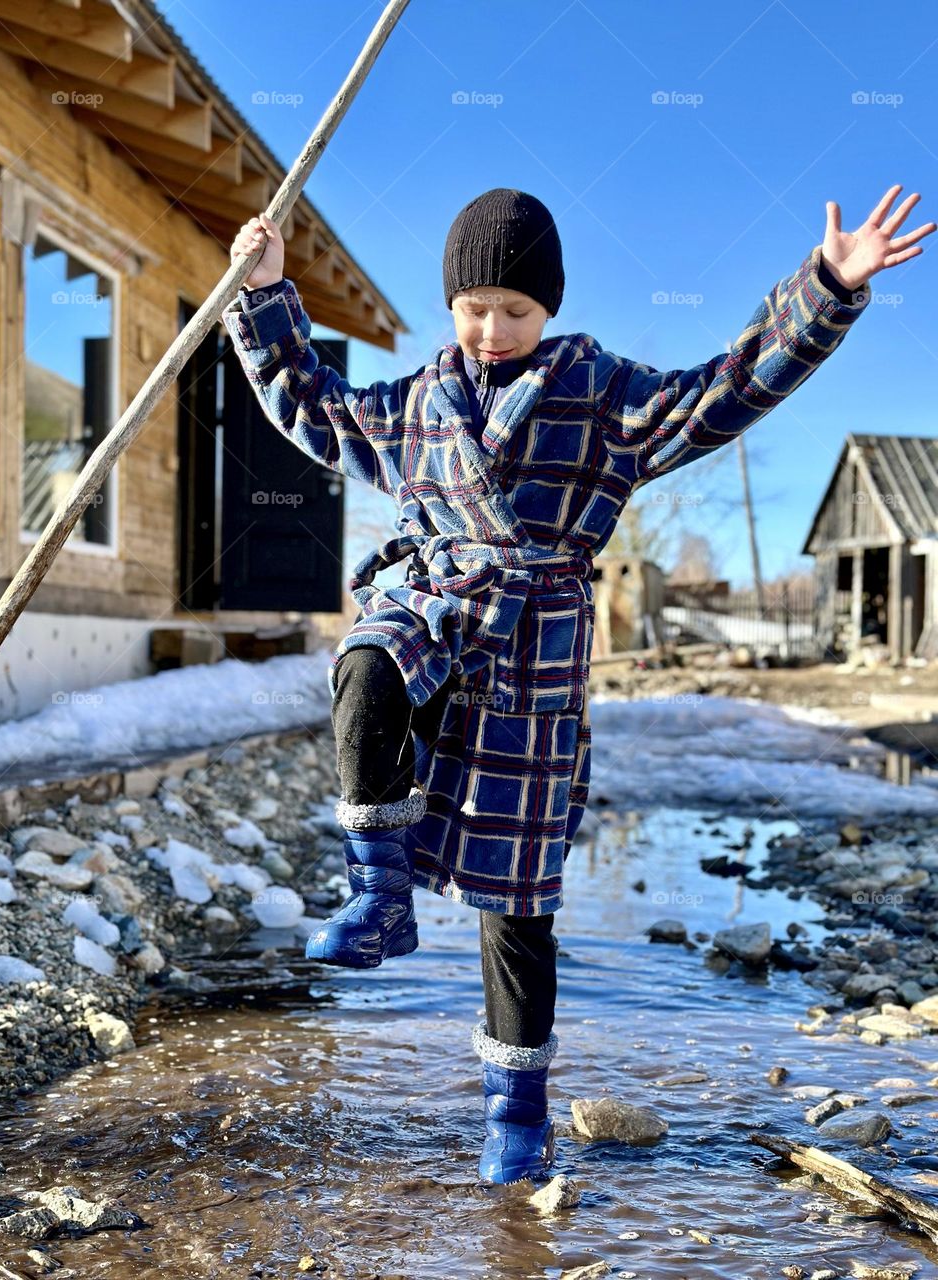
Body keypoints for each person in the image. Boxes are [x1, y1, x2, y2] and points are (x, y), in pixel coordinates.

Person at [224, 184, 933, 1185]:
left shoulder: (603, 396)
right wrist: (264, 294)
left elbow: (724, 389)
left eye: (515, 309)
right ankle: (379, 891)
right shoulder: (415, 405)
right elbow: (310, 404)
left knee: (515, 903)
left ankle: (517, 1115)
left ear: (548, 306)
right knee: (367, 660)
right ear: (450, 303)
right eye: (474, 308)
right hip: (437, 601)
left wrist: (824, 289)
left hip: (534, 649)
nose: (493, 329)